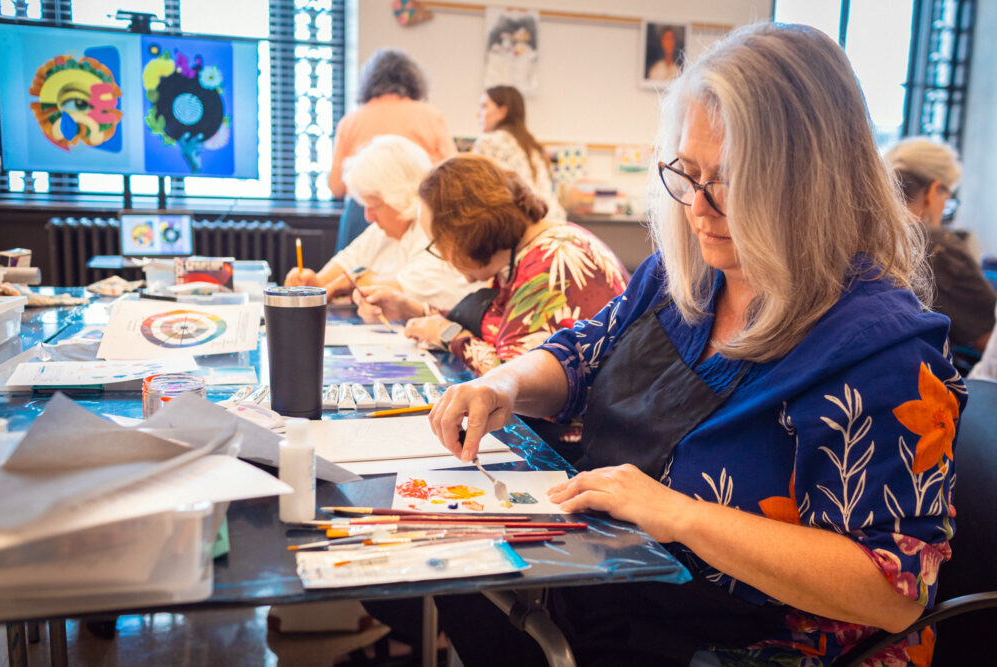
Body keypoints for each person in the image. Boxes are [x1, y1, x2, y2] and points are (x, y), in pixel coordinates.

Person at [425, 23, 963, 665]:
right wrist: (504, 384)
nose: (698, 207)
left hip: (756, 642)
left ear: (814, 180)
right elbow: (582, 354)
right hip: (622, 592)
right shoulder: (685, 277)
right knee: (456, 583)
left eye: (731, 179)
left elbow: (894, 588)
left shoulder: (882, 350)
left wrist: (675, 514)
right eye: (686, 172)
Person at [356, 154, 627, 453]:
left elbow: (509, 384)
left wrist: (451, 336)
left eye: (439, 242)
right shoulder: (531, 249)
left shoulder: (554, 262)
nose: (443, 256)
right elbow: (500, 327)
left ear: (468, 232)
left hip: (577, 446)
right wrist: (411, 308)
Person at [285, 135, 478, 310]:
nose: (368, 217)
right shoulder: (381, 231)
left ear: (399, 197)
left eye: (374, 206)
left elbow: (404, 288)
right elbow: (337, 273)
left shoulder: (432, 229)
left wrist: (353, 280)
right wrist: (311, 283)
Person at [328, 49, 457, 251]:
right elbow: (451, 175)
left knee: (349, 277)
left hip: (361, 214)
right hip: (412, 217)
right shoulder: (431, 116)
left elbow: (336, 187)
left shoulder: (351, 121)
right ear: (414, 82)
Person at [885, 137, 996, 353]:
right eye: (947, 196)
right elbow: (988, 337)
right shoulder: (934, 244)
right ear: (934, 190)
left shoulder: (871, 234)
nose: (945, 206)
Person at [472, 85, 566, 220]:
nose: (478, 114)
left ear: (502, 112)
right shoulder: (531, 145)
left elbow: (478, 194)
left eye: (484, 106)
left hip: (523, 225)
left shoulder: (488, 142)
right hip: (552, 222)